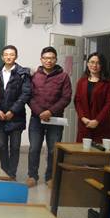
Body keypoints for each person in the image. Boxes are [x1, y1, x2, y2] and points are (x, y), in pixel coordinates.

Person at [28, 46, 72, 188]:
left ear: (56, 59)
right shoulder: (34, 76)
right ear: (41, 59)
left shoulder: (63, 76)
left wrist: (50, 112)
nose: (49, 61)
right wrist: (40, 112)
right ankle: (32, 176)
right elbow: (29, 96)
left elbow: (66, 97)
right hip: (36, 119)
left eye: (52, 58)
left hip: (55, 119)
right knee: (34, 148)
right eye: (46, 58)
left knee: (53, 150)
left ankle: (50, 177)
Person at [0, 45, 32, 180]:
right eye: (6, 55)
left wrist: (12, 111)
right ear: (2, 57)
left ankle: (12, 173)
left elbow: (25, 94)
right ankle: (4, 172)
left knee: (15, 147)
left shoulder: (23, 73)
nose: (9, 57)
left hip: (16, 117)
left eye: (12, 54)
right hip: (0, 116)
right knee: (2, 146)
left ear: (16, 56)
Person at [74, 52, 110, 143]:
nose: (94, 65)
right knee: (82, 150)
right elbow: (77, 101)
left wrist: (97, 120)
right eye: (92, 62)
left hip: (102, 124)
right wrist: (83, 118)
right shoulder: (82, 81)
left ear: (102, 65)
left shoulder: (108, 82)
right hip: (85, 124)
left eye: (98, 63)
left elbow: (109, 104)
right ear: (87, 63)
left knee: (101, 151)